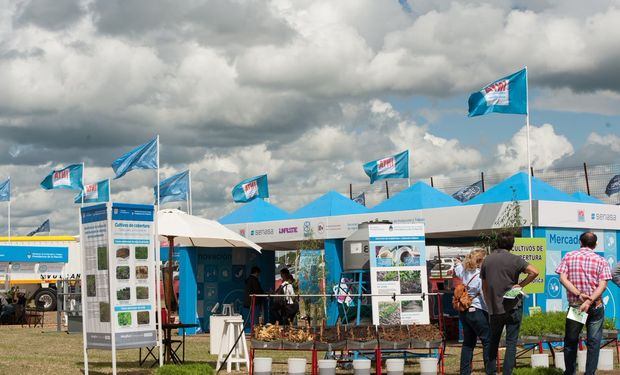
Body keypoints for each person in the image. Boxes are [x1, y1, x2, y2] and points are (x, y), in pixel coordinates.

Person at [481, 232, 539, 375]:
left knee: (493, 342)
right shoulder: (515, 259)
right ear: (512, 244)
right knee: (511, 342)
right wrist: (521, 285)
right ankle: (508, 372)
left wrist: (489, 303)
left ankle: (491, 371)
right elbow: (535, 272)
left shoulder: (487, 260)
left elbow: (484, 286)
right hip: (513, 306)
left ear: (497, 243)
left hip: (495, 307)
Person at [555, 232, 611, 375]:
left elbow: (562, 278)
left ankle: (570, 372)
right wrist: (590, 300)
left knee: (571, 342)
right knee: (593, 343)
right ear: (595, 244)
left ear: (580, 242)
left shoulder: (569, 256)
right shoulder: (601, 260)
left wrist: (579, 295)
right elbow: (603, 285)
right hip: (595, 306)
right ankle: (590, 373)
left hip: (577, 306)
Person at [454, 249, 490, 375]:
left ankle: (465, 372)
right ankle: (490, 371)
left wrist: (458, 262)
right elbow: (485, 296)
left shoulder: (464, 271)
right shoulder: (480, 275)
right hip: (478, 311)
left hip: (464, 311)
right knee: (487, 341)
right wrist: (491, 311)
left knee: (468, 343)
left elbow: (457, 269)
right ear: (481, 261)